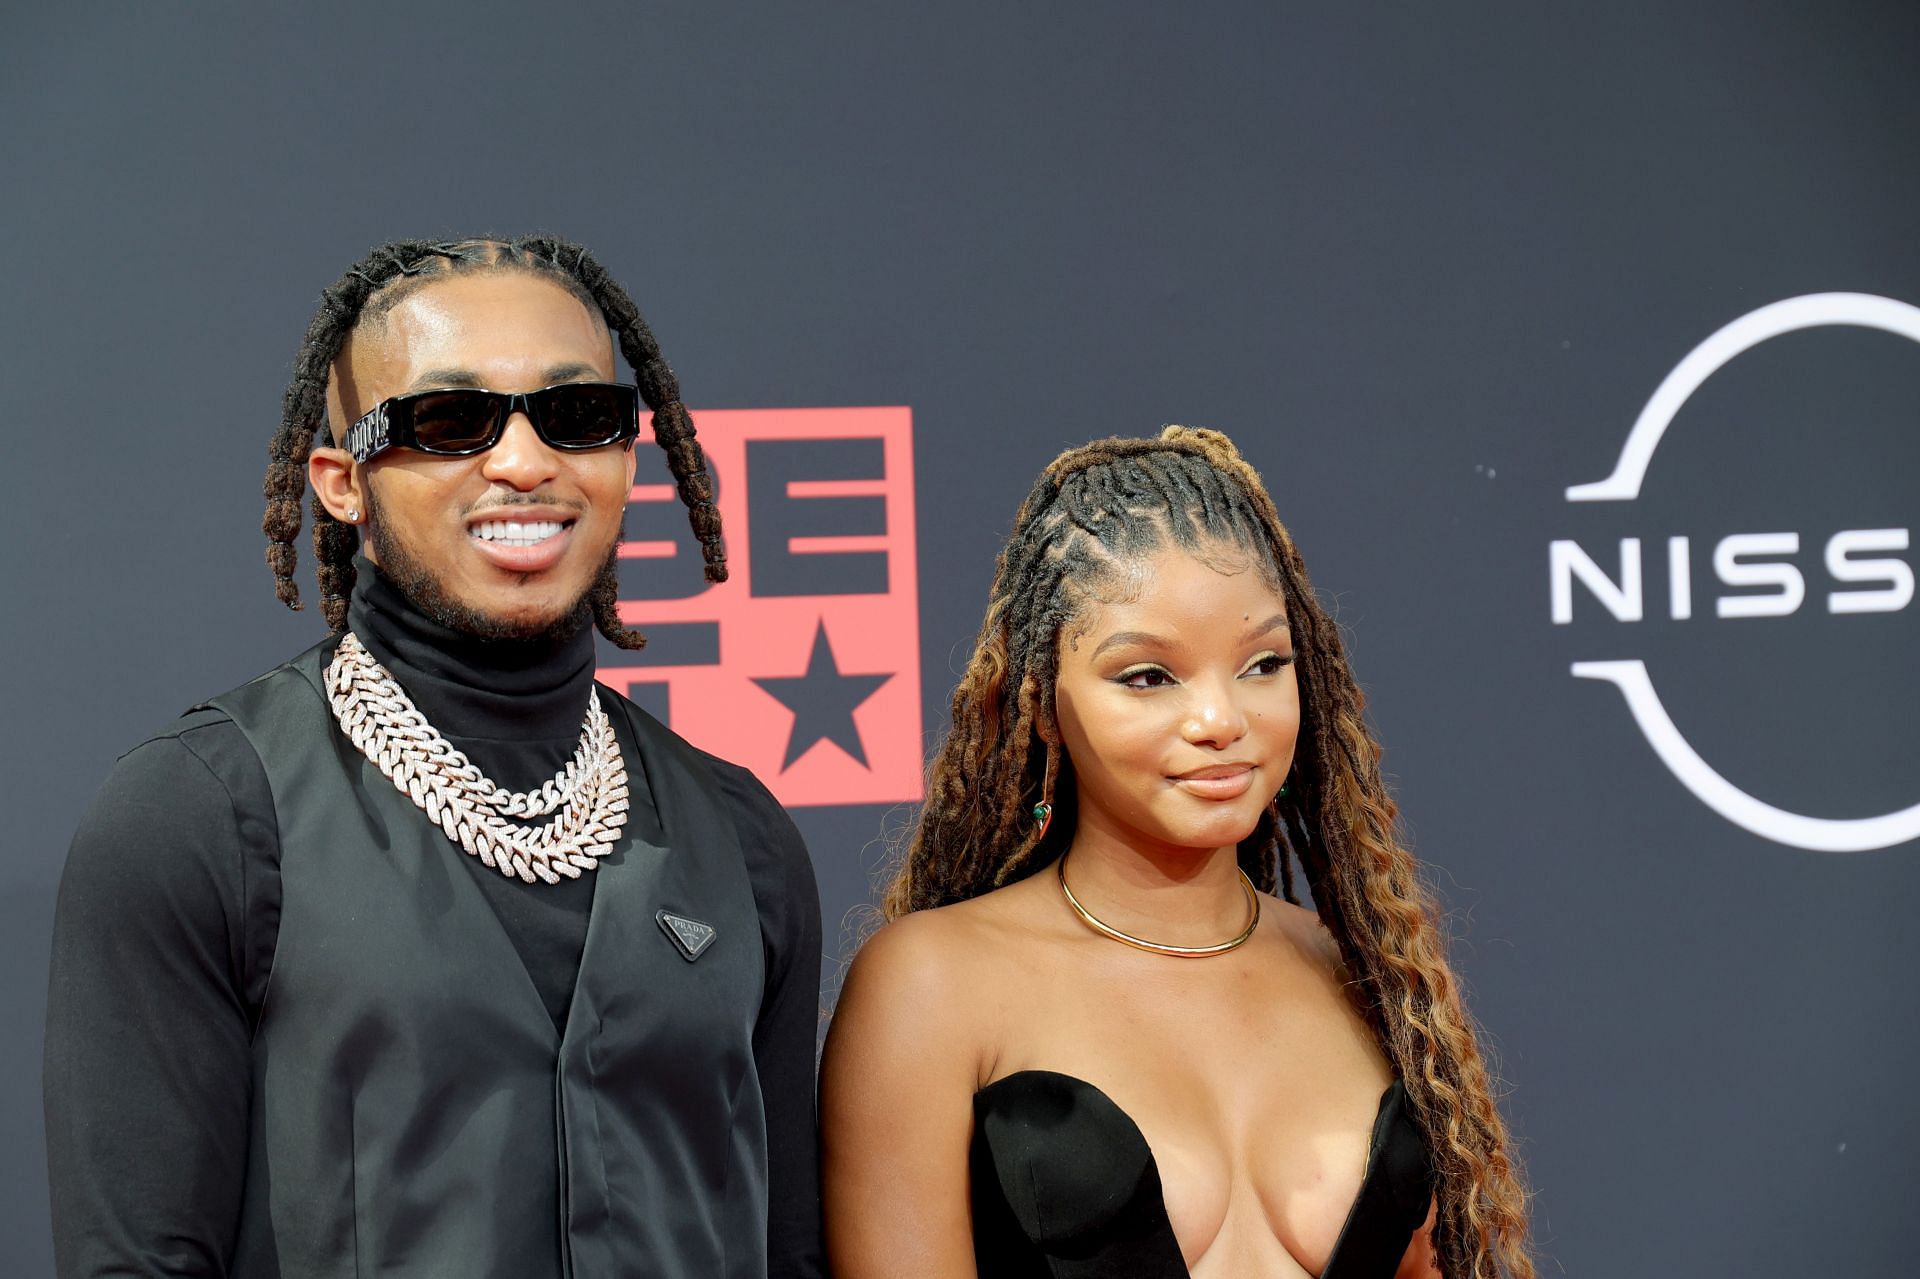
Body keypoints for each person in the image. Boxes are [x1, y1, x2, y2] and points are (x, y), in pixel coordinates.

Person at [44, 237, 825, 1278]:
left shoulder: (742, 835)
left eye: (577, 415)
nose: (523, 462)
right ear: (341, 483)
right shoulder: (197, 816)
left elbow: (790, 1253)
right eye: (451, 422)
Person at [821, 427, 1534, 1278]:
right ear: (1045, 704)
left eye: (1263, 663)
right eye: (1148, 676)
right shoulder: (931, 985)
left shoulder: (1364, 973)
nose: (1221, 720)